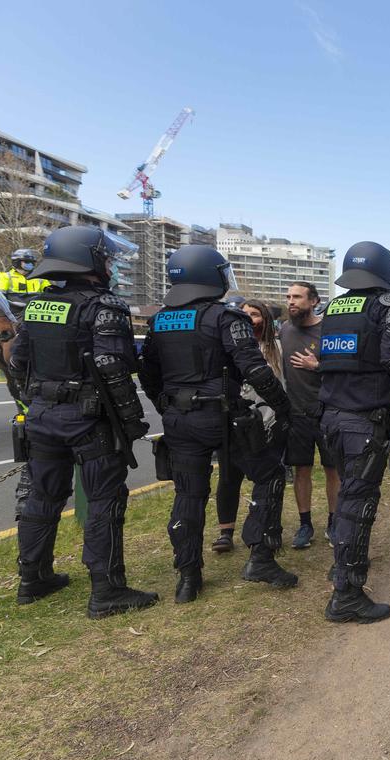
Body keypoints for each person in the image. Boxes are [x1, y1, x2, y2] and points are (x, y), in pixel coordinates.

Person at [9, 225, 158, 617]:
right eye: (105, 257)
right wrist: (131, 420)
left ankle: (33, 578)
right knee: (104, 500)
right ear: (88, 260)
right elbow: (112, 367)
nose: (109, 263)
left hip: (42, 416)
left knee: (42, 498)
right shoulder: (104, 306)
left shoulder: (37, 304)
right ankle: (107, 590)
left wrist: (37, 399)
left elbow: (18, 362)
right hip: (88, 419)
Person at [139, 245, 298, 603]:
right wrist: (284, 407)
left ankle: (188, 578)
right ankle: (260, 556)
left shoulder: (160, 320)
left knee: (188, 494)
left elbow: (147, 374)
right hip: (223, 416)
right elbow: (255, 370)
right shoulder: (226, 318)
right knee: (269, 475)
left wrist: (166, 405)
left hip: (179, 420)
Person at [318, 241, 390, 623]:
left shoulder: (332, 307)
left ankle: (341, 570)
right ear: (386, 270)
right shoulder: (389, 306)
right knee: (357, 505)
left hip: (331, 418)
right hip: (363, 421)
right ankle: (347, 595)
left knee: (347, 498)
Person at [212, 298, 282, 553]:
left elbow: (283, 383)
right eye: (245, 314)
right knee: (229, 477)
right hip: (233, 421)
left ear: (265, 319)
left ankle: (264, 530)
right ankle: (225, 532)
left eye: (255, 314)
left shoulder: (276, 348)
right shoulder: (225, 347)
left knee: (267, 478)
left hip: (267, 422)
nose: (250, 319)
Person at [278, 281, 340, 549]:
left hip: (327, 411)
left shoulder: (328, 329)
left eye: (298, 297)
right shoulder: (284, 330)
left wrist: (318, 365)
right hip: (296, 413)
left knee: (332, 470)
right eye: (289, 296)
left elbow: (343, 367)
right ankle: (305, 525)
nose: (291, 301)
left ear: (313, 301)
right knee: (301, 470)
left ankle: (334, 521)